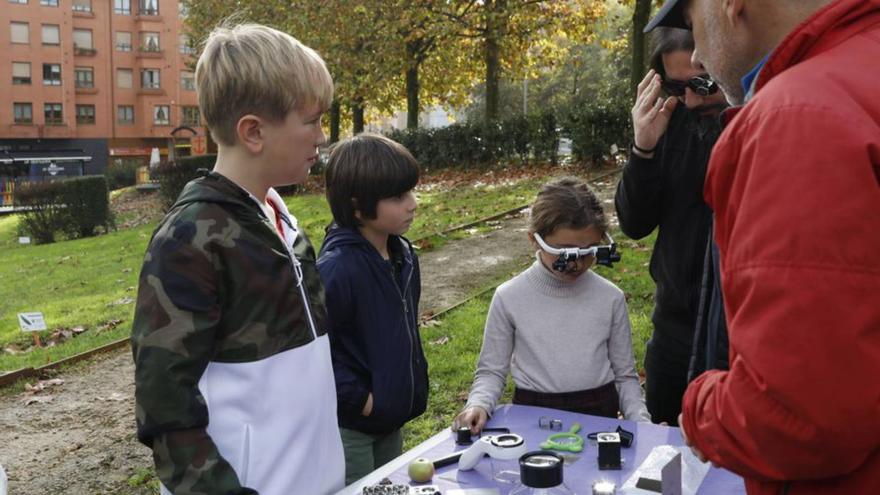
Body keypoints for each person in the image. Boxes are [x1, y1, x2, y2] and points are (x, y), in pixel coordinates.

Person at [647, 0, 880, 493]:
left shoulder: (796, 114)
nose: (700, 57)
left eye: (692, 24)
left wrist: (699, 407)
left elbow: (798, 415)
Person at [130, 24, 345, 494]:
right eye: (312, 120)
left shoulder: (281, 221)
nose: (321, 136)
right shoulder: (188, 241)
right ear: (253, 132)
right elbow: (164, 406)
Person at [454, 177, 650, 434]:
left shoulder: (610, 297)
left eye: (588, 251)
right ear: (534, 240)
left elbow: (625, 376)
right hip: (533, 417)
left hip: (599, 416)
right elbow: (491, 371)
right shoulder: (509, 297)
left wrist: (642, 423)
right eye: (564, 252)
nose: (576, 264)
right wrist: (478, 404)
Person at [615, 27, 729, 426]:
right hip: (674, 327)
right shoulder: (671, 122)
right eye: (678, 88)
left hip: (735, 334)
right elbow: (634, 222)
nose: (693, 99)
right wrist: (643, 148)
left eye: (703, 82)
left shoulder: (758, 123)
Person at [317, 133, 428, 485]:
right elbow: (316, 351)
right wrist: (361, 400)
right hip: (352, 428)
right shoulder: (337, 270)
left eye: (410, 191)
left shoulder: (403, 256)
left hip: (389, 420)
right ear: (357, 206)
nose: (412, 204)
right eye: (398, 197)